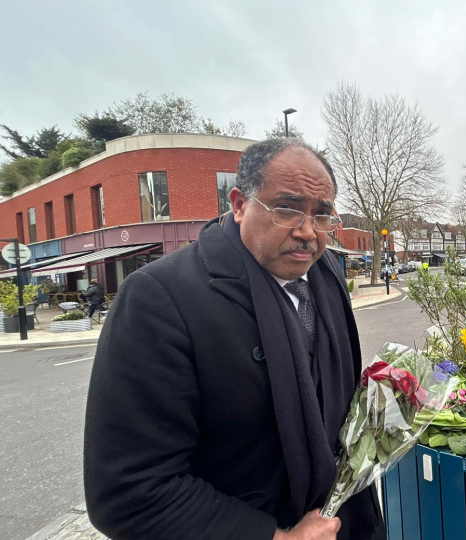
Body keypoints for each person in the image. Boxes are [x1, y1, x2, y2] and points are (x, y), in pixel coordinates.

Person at [84, 139, 383, 540]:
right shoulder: (159, 297)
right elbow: (130, 490)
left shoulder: (326, 273)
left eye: (322, 214)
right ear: (239, 204)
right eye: (287, 208)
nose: (308, 231)